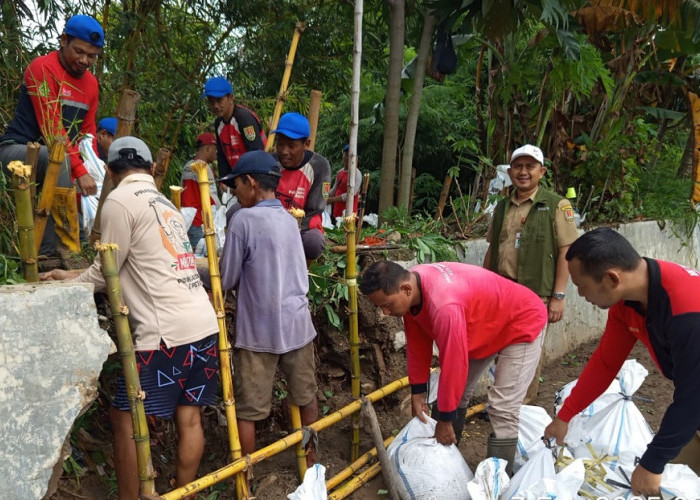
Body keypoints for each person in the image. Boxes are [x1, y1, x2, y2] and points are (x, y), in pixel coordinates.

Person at [41, 136, 220, 499]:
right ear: (152, 169)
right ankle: (183, 493)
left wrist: (66, 278)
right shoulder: (166, 203)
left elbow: (105, 272)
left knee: (125, 420)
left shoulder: (119, 201)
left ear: (109, 171)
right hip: (204, 325)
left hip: (166, 333)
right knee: (190, 418)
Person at [543, 227, 700, 497]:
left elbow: (693, 398)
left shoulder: (687, 310)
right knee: (677, 480)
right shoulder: (628, 303)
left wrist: (652, 464)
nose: (580, 295)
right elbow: (605, 363)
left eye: (581, 286)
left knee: (661, 474)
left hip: (694, 399)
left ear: (612, 277)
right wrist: (565, 415)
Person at [359, 260, 547, 475]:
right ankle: (447, 459)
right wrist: (417, 392)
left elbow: (454, 363)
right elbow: (417, 345)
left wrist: (445, 421)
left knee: (502, 406)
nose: (385, 312)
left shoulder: (444, 306)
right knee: (455, 394)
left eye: (388, 305)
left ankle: (498, 479)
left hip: (521, 321)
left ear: (406, 289)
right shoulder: (413, 287)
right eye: (380, 307)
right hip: (484, 323)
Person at [204, 150, 318, 469]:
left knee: (248, 411)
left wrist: (203, 269)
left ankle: (246, 476)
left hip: (258, 332)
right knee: (306, 397)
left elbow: (226, 278)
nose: (234, 192)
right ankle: (312, 466)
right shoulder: (288, 217)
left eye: (237, 185)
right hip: (298, 325)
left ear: (251, 183)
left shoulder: (243, 219)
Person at [0, 14, 103, 255]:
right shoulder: (42, 68)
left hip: (58, 156)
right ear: (63, 40)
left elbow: (88, 134)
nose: (85, 60)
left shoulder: (91, 84)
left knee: (75, 167)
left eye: (92, 56)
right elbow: (52, 129)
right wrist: (79, 170)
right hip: (17, 150)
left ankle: (81, 246)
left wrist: (93, 167)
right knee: (56, 158)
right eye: (79, 51)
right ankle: (61, 249)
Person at [483, 144, 578, 403]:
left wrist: (558, 295)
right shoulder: (502, 207)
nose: (523, 172)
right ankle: (503, 400)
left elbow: (566, 252)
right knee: (501, 348)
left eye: (530, 166)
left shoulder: (557, 205)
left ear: (541, 171)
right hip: (501, 291)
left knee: (527, 352)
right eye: (518, 166)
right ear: (510, 170)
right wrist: (482, 286)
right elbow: (494, 248)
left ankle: (521, 405)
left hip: (535, 293)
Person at [271, 112, 331, 261]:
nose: (284, 151)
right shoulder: (270, 162)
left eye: (291, 146)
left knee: (314, 242)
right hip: (269, 225)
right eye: (280, 144)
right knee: (235, 211)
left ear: (306, 144)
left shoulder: (319, 167)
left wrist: (286, 230)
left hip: (301, 229)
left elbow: (314, 211)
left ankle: (303, 273)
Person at [201, 77, 266, 179]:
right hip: (238, 177)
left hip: (256, 176)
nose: (215, 106)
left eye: (219, 100)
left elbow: (256, 152)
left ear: (231, 98)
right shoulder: (219, 123)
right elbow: (222, 155)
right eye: (211, 101)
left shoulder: (244, 118)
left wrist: (247, 181)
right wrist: (224, 179)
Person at [180, 132, 221, 251]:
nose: (216, 153)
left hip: (187, 219)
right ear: (208, 148)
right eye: (215, 149)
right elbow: (211, 197)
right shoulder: (204, 168)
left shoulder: (187, 166)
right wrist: (221, 211)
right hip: (200, 222)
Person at [327, 144, 362, 224]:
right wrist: (325, 195)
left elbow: (351, 194)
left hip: (349, 211)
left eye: (351, 155)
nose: (347, 158)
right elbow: (334, 190)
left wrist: (332, 200)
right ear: (343, 155)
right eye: (346, 155)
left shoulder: (357, 174)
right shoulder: (340, 172)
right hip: (337, 209)